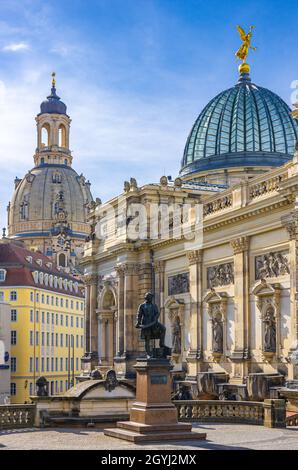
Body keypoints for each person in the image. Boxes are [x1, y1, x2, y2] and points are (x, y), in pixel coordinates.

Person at [135, 292, 166, 357]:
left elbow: (157, 313)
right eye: (150, 297)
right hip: (146, 323)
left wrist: (155, 318)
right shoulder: (142, 306)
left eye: (151, 298)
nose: (151, 299)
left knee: (163, 328)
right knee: (147, 339)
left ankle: (161, 344)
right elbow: (139, 315)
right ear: (147, 298)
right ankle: (148, 353)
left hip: (154, 323)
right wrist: (138, 322)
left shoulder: (154, 305)